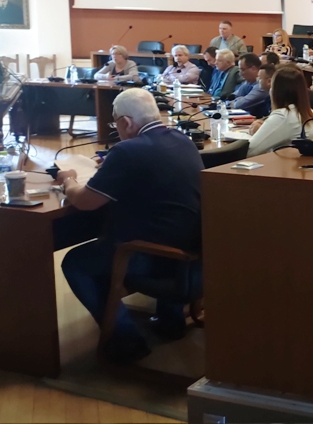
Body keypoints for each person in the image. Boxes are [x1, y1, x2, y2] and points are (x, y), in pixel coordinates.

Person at [56, 88, 203, 363]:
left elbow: (85, 202)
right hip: (191, 254)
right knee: (164, 224)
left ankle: (125, 340)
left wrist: (68, 180)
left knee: (76, 263)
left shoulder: (127, 151)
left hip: (150, 256)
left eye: (116, 125)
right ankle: (170, 321)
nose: (117, 131)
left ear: (126, 122)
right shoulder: (182, 140)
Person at [247, 65, 313, 157]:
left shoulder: (283, 116)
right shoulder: (309, 112)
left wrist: (259, 133)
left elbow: (249, 151)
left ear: (275, 91)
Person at [230, 53, 269, 117]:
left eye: (242, 69)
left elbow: (238, 105)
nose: (240, 73)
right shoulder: (248, 82)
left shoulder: (262, 85)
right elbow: (232, 97)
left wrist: (238, 100)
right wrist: (240, 99)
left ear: (253, 69)